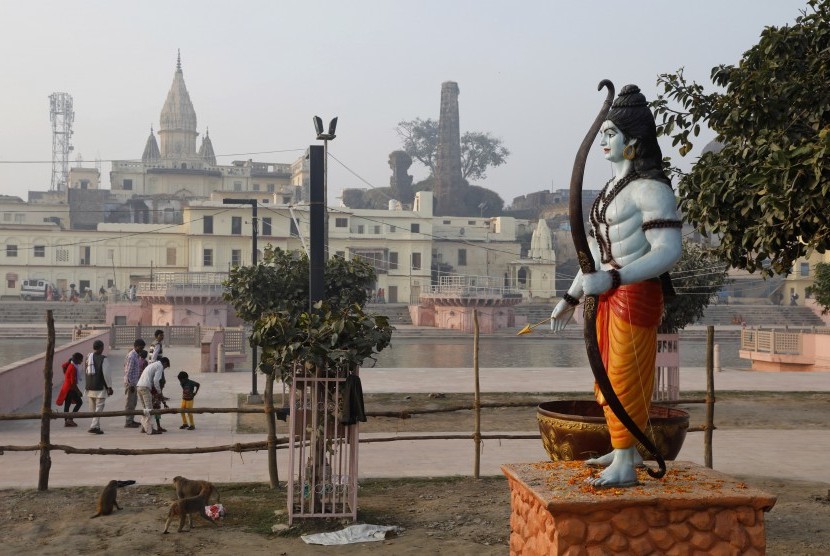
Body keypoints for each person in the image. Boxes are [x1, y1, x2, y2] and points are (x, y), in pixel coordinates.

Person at [549, 84, 682, 488]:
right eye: (602, 133)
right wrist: (571, 296)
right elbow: (593, 252)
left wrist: (615, 278)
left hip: (634, 294)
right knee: (604, 377)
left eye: (611, 134)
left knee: (625, 376)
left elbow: (668, 250)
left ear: (632, 143)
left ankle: (626, 458)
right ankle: (621, 447)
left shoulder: (652, 190)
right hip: (604, 296)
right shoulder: (607, 194)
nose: (604, 141)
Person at [85, 340, 114, 434]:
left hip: (90, 386)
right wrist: (109, 387)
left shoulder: (88, 358)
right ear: (101, 347)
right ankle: (94, 426)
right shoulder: (103, 359)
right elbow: (106, 374)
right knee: (99, 408)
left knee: (93, 409)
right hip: (99, 387)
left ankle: (96, 426)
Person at [136, 356, 170, 435]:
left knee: (145, 409)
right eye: (166, 367)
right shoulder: (160, 366)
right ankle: (151, 430)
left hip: (139, 386)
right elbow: (156, 381)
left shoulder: (153, 364)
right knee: (150, 410)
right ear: (164, 363)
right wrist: (159, 392)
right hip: (145, 387)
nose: (164, 369)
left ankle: (144, 428)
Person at [56, 352, 85, 427]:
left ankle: (66, 421)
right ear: (77, 359)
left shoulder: (70, 365)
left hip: (66, 388)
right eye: (80, 360)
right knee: (79, 402)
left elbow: (63, 367)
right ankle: (70, 419)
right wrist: (78, 391)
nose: (81, 362)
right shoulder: (73, 368)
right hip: (70, 389)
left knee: (67, 404)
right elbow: (73, 383)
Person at [123, 338, 146, 428]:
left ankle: (131, 419)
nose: (142, 349)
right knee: (130, 403)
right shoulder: (132, 356)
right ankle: (128, 422)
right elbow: (128, 372)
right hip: (131, 384)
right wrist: (130, 385)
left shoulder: (136, 355)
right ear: (136, 346)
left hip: (134, 383)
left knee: (133, 403)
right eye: (141, 347)